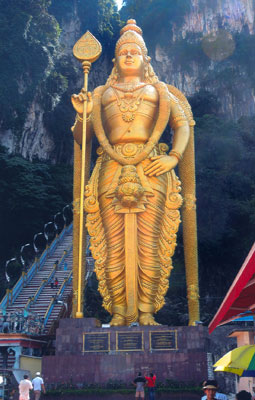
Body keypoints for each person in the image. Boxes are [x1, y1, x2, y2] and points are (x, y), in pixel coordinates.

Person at [72, 19, 193, 326]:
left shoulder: (160, 90)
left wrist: (174, 157)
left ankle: (147, 311)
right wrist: (83, 116)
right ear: (115, 59)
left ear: (145, 58)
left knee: (150, 243)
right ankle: (118, 312)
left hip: (151, 166)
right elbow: (82, 139)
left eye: (134, 52)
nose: (128, 55)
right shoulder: (100, 92)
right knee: (112, 246)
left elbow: (181, 126)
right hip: (111, 167)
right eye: (123, 51)